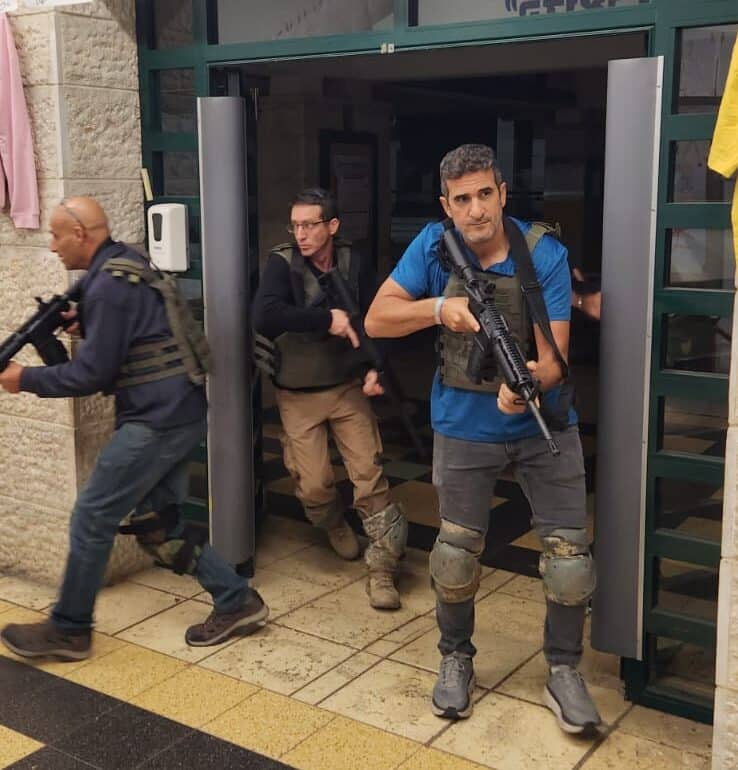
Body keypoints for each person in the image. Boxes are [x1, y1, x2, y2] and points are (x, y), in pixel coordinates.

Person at [365, 144, 601, 734]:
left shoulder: (542, 253)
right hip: (462, 428)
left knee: (569, 560)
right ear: (447, 205)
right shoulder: (432, 246)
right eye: (463, 199)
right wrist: (438, 308)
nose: (476, 210)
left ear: (503, 194)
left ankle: (564, 670)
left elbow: (554, 360)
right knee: (454, 555)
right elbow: (376, 319)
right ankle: (455, 658)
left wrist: (525, 389)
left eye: (486, 194)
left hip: (543, 425)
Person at [0, 197, 268, 660]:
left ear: (80, 234)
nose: (53, 246)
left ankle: (69, 630)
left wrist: (26, 379)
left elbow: (91, 375)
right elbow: (138, 333)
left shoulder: (107, 286)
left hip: (155, 421)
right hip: (177, 411)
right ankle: (236, 599)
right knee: (159, 527)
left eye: (57, 235)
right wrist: (87, 321)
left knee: (92, 516)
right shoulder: (126, 263)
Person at [252, 188, 407, 611]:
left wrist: (375, 366)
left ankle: (383, 568)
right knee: (314, 485)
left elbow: (376, 317)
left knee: (369, 476)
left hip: (346, 387)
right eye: (295, 226)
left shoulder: (353, 262)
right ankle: (333, 522)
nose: (301, 234)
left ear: (332, 226)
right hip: (297, 394)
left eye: (309, 225)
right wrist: (325, 319)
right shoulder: (282, 262)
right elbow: (265, 315)